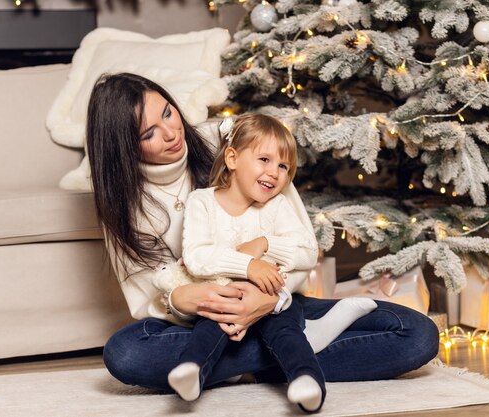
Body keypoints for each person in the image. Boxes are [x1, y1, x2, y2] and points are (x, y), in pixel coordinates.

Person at [87, 72, 439, 403]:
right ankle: (295, 354)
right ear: (125, 148)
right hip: (201, 319)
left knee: (416, 334)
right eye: (148, 133)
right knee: (126, 353)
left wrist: (269, 298)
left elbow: (302, 246)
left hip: (277, 299)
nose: (170, 132)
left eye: (168, 112)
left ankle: (230, 365)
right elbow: (144, 299)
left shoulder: (230, 141)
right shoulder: (123, 202)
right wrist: (186, 299)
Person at [156, 113, 376, 412]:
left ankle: (306, 381)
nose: (274, 173)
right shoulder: (202, 201)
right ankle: (192, 370)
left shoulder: (277, 205)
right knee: (212, 324)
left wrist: (266, 244)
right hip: (225, 298)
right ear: (232, 158)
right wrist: (247, 266)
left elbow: (308, 252)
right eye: (264, 159)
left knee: (284, 331)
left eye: (283, 166)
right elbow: (196, 257)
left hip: (272, 299)